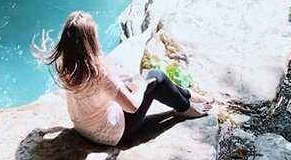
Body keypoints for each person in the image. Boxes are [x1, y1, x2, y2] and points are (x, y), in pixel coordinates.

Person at [35, 10, 209, 147]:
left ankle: (187, 95)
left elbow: (97, 89)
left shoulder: (64, 63)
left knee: (132, 79)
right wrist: (141, 85)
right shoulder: (99, 73)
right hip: (112, 135)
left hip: (82, 128)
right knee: (156, 77)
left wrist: (120, 81)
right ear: (90, 41)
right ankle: (186, 107)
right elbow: (132, 107)